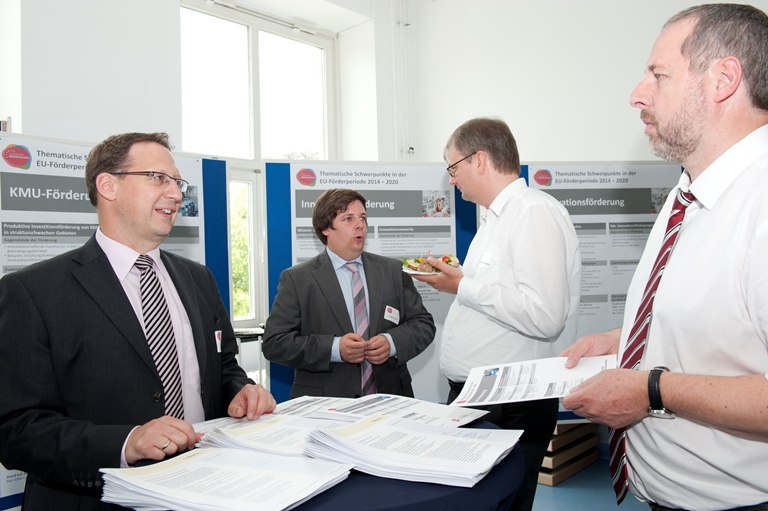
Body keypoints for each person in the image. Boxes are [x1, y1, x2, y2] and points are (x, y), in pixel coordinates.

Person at [561, 4, 768, 510]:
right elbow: (723, 319)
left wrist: (651, 390)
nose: (637, 94)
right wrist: (624, 338)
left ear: (723, 80)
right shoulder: (689, 191)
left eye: (659, 75)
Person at [0, 132, 276, 511]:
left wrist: (240, 391)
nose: (176, 194)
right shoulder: (32, 291)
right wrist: (125, 443)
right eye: (158, 178)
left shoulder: (198, 278)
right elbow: (16, 428)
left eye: (177, 182)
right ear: (108, 185)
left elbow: (224, 366)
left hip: (205, 487)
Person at [413, 117, 581, 511]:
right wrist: (457, 278)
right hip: (488, 398)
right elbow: (501, 294)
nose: (452, 179)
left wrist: (462, 286)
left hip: (512, 403)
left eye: (453, 167)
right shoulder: (494, 218)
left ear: (480, 160)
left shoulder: (533, 212)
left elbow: (545, 315)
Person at [263, 188, 436, 399]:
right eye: (348, 218)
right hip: (325, 404)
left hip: (391, 400)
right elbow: (275, 343)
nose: (360, 224)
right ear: (326, 228)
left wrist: (391, 343)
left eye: (363, 217)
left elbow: (423, 324)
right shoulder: (298, 279)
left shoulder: (392, 270)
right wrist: (334, 349)